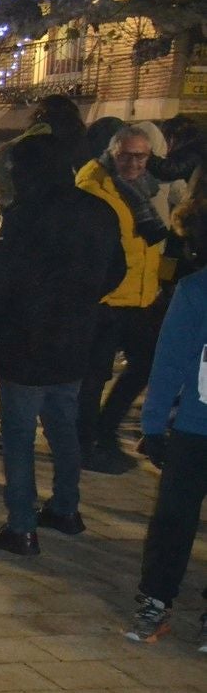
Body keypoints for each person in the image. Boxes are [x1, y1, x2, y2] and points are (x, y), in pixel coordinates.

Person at [0, 133, 125, 557]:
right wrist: (81, 298)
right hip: (76, 334)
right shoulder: (98, 210)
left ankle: (22, 525)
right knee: (64, 423)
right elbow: (117, 269)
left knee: (20, 434)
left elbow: (3, 282)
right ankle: (66, 507)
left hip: (27, 340)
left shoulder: (28, 214)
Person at [126, 200, 207, 646]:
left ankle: (164, 604)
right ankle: (156, 600)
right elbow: (170, 362)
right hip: (195, 426)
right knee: (173, 521)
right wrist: (154, 425)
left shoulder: (194, 288)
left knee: (173, 521)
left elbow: (169, 364)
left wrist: (155, 425)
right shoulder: (196, 291)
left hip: (193, 425)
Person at [76, 123, 170, 473]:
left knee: (148, 362)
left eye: (141, 156)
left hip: (140, 297)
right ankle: (86, 443)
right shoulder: (95, 187)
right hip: (107, 300)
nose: (134, 163)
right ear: (113, 153)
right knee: (93, 376)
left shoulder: (140, 187)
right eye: (126, 155)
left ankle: (105, 429)